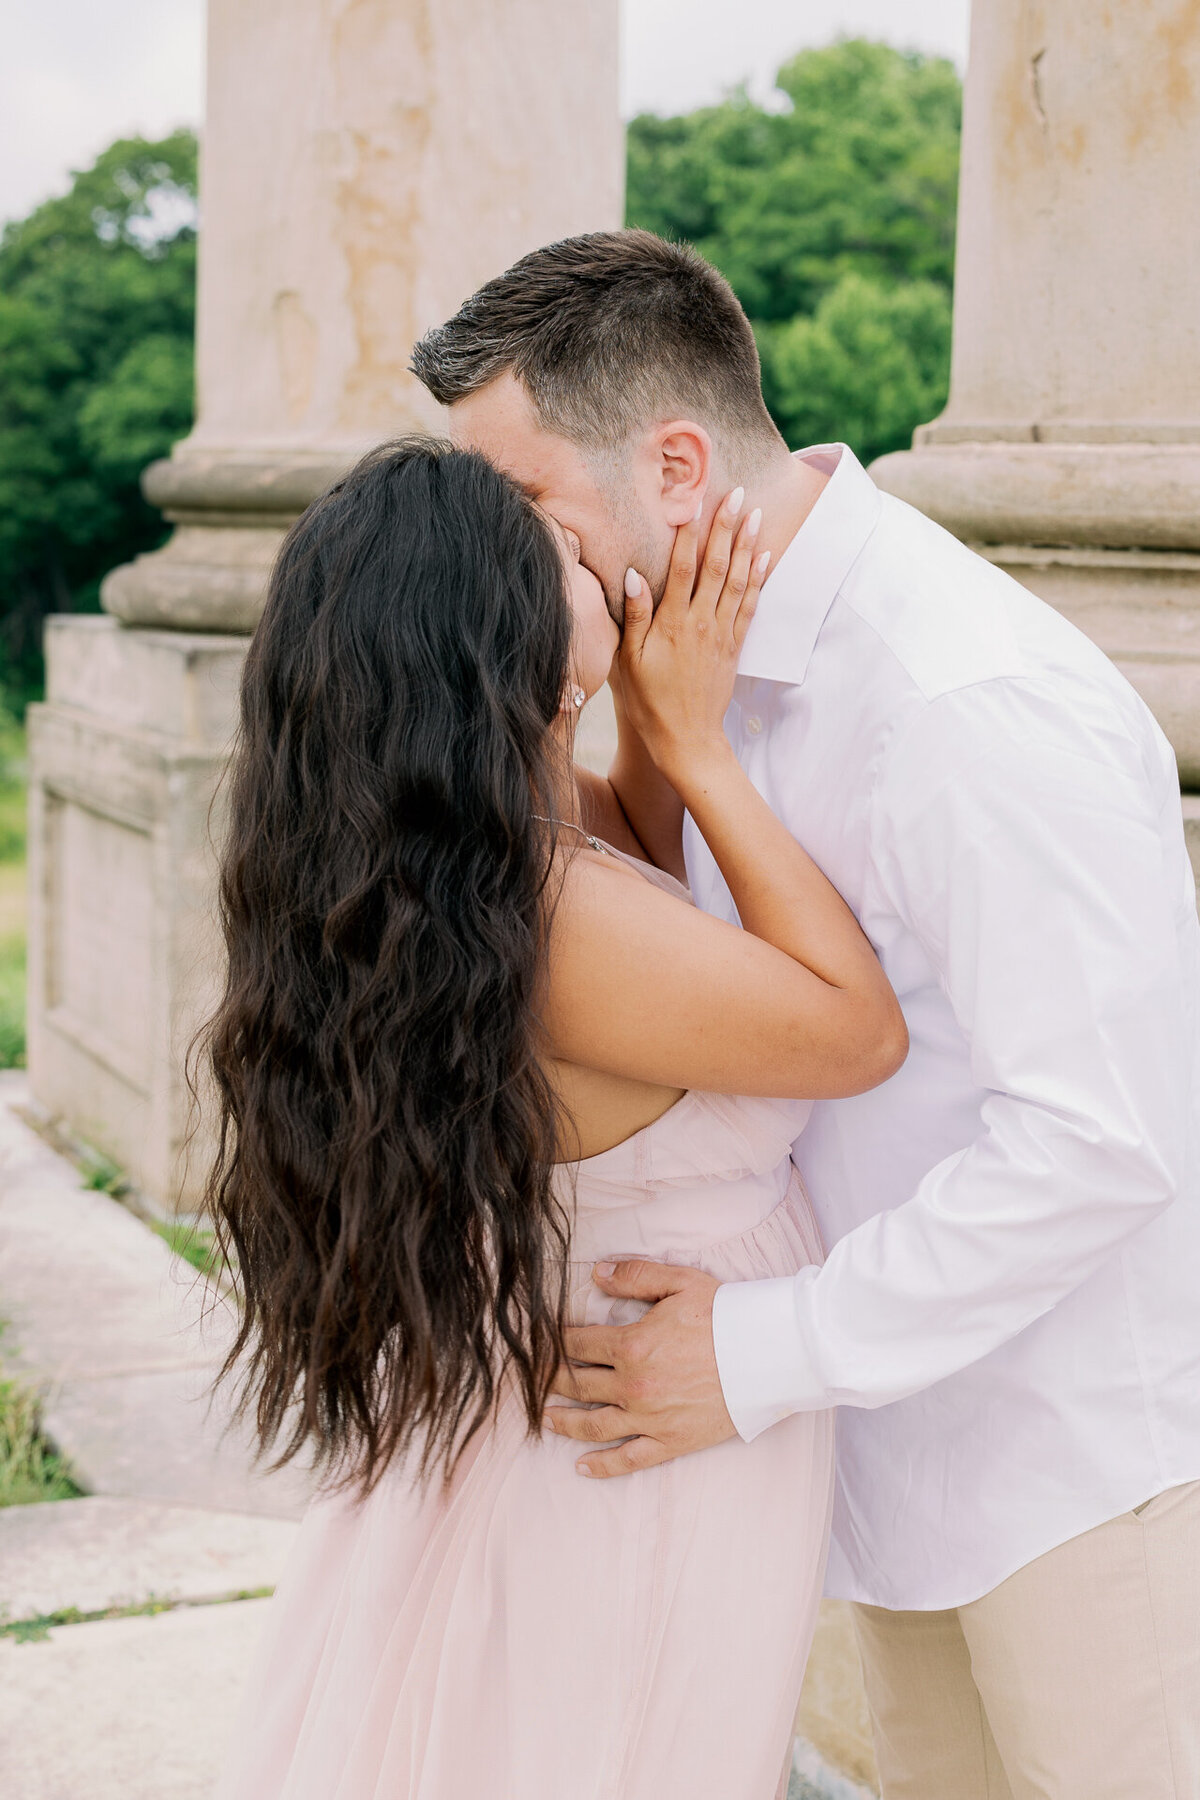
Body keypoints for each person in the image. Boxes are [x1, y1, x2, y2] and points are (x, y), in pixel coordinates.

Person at [411, 228, 1200, 1800]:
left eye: (529, 509)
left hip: (1079, 1479)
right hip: (883, 1458)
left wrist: (763, 1352)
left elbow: (1107, 1138)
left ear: (680, 464)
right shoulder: (683, 677)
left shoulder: (961, 702)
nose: (506, 562)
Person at [206, 437, 907, 1800]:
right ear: (504, 643)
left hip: (577, 1412)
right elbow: (854, 1029)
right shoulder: (549, 919)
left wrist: (636, 721)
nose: (616, 561)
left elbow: (644, 868)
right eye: (580, 564)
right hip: (629, 1448)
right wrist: (702, 749)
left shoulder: (467, 854)